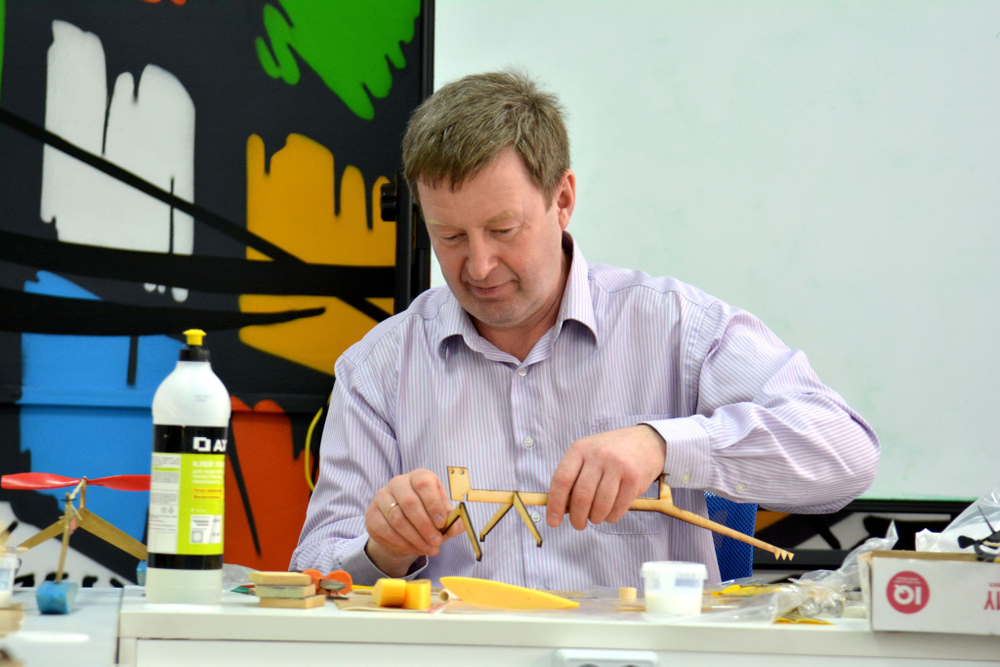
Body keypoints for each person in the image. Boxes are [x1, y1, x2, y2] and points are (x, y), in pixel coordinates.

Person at [291, 71, 879, 588]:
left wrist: (661, 446)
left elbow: (847, 452)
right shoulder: (379, 368)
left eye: (503, 230)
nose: (479, 266)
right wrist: (384, 550)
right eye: (450, 237)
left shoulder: (675, 327)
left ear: (563, 199)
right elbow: (313, 572)